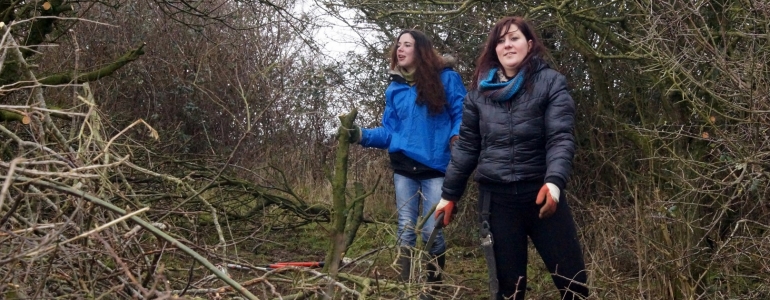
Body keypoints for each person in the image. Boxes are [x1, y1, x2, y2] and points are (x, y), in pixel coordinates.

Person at [433, 17, 589, 300]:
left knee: (573, 282)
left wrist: (554, 183)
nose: (507, 45)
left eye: (514, 38)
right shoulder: (477, 96)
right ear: (494, 50)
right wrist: (449, 195)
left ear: (529, 45)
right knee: (508, 290)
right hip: (497, 201)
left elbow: (560, 138)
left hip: (542, 196)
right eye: (501, 41)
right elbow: (467, 148)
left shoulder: (552, 83)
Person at [346, 29, 466, 293]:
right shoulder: (395, 88)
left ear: (420, 50)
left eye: (407, 45)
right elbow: (389, 132)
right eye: (398, 44)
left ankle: (432, 290)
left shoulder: (447, 79)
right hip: (403, 167)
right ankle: (406, 289)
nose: (400, 49)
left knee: (431, 231)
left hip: (435, 166)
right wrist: (360, 135)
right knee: (405, 230)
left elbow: (461, 113)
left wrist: (458, 139)